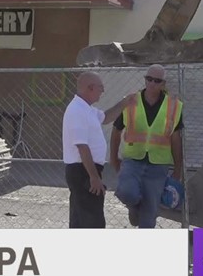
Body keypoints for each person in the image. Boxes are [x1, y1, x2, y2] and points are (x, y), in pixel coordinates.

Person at [110, 64, 184, 228]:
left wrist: (178, 168)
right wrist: (113, 158)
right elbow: (116, 131)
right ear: (145, 79)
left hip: (158, 165)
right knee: (126, 192)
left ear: (163, 84)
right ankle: (134, 207)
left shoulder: (174, 106)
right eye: (149, 79)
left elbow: (176, 138)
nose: (152, 83)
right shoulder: (130, 101)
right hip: (132, 160)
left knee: (149, 215)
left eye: (157, 81)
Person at [63, 71, 130, 229]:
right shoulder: (77, 111)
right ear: (90, 88)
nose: (103, 91)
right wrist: (93, 177)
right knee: (92, 220)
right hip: (83, 171)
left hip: (85, 170)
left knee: (82, 218)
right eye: (101, 87)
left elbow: (106, 117)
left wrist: (125, 102)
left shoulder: (87, 109)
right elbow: (82, 147)